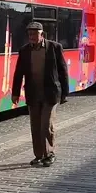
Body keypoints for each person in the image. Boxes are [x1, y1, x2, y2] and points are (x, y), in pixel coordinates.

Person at [11, 21, 69, 167]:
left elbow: (63, 71)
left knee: (46, 125)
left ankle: (49, 153)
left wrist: (64, 93)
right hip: (33, 93)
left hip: (50, 94)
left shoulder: (54, 48)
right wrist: (15, 92)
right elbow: (18, 73)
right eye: (29, 34)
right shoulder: (24, 51)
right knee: (35, 126)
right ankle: (38, 155)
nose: (31, 36)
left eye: (34, 34)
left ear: (41, 34)